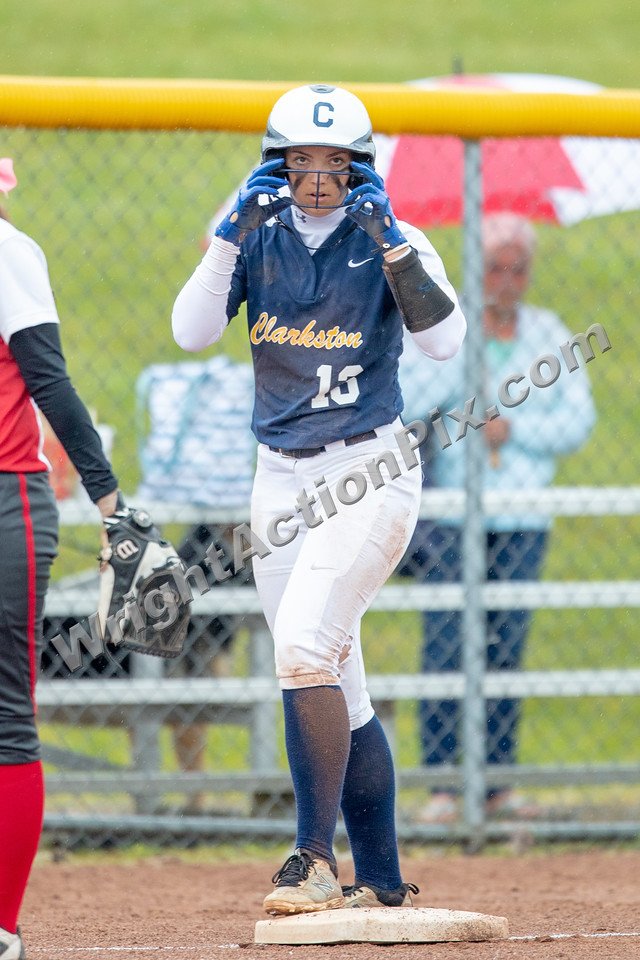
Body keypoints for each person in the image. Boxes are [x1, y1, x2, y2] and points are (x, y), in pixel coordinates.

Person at [172, 84, 466, 914]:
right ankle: (381, 876)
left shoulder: (394, 236)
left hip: (368, 468)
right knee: (336, 676)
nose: (315, 177)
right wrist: (228, 234)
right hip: (278, 477)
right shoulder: (254, 235)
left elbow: (446, 341)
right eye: (299, 159)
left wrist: (392, 243)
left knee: (304, 646)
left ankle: (311, 859)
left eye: (334, 161)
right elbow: (191, 331)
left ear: (361, 167)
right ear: (274, 162)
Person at [398, 212, 596, 823]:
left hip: (522, 517)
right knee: (446, 643)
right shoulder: (450, 329)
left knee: (507, 647)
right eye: (494, 269)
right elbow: (411, 401)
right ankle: (442, 784)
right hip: (455, 518)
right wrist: (463, 382)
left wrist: (515, 428)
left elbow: (578, 421)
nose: (506, 281)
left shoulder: (549, 334)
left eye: (517, 269)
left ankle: (497, 783)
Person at [0, 165, 131, 958]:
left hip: (6, 494)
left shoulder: (6, 252)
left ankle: (0, 924)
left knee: (7, 716)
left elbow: (48, 382)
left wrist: (110, 503)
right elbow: (50, 380)